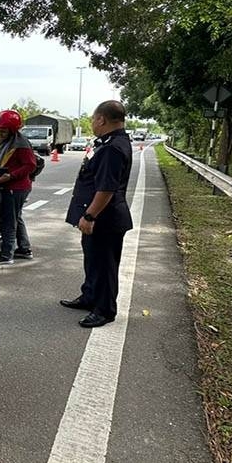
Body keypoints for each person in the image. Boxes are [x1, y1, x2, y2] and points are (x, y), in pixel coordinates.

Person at [60, 100, 133, 328]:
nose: (92, 123)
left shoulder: (112, 147)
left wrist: (90, 216)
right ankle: (90, 296)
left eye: (93, 118)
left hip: (105, 218)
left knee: (104, 265)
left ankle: (104, 310)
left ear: (101, 119)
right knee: (93, 261)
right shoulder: (110, 142)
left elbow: (106, 189)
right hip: (99, 216)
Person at [0, 109, 36, 265]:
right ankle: (24, 249)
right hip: (3, 185)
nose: (0, 133)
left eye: (3, 130)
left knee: (8, 221)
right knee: (16, 217)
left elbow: (30, 165)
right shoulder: (0, 141)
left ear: (12, 130)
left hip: (16, 187)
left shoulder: (21, 143)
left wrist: (11, 176)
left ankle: (6, 256)